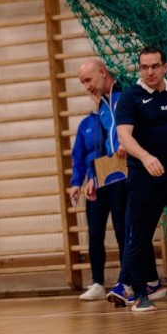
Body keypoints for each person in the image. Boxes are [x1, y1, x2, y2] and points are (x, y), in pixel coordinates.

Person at [76, 58, 165, 306]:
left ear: (103, 72)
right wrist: (94, 177)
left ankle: (131, 283)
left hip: (137, 169)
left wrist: (132, 143)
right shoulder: (103, 107)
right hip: (115, 175)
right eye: (82, 82)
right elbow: (108, 148)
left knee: (133, 228)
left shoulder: (128, 94)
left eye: (88, 80)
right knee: (125, 229)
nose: (86, 87)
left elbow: (145, 126)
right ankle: (148, 281)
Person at [115, 46, 167, 312]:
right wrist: (146, 157)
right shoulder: (130, 98)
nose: (150, 72)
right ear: (140, 69)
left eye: (155, 66)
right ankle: (139, 295)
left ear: (165, 67)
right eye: (144, 67)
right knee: (139, 234)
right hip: (144, 177)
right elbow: (124, 135)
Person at [68, 95, 116, 300]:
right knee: (95, 233)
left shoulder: (114, 116)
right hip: (93, 185)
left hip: (115, 178)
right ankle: (97, 282)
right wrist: (76, 183)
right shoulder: (86, 124)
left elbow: (112, 147)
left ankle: (129, 280)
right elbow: (78, 157)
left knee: (125, 229)